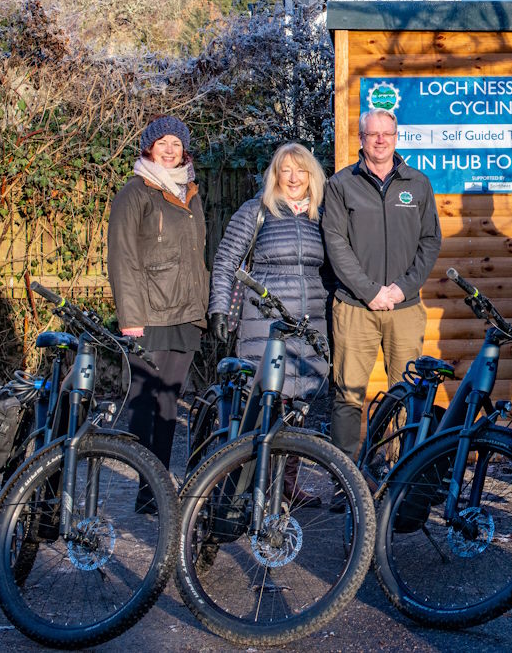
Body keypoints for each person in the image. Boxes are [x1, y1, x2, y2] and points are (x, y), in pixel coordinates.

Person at [322, 108, 441, 498]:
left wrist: (400, 290)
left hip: (404, 308)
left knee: (404, 394)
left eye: (386, 134)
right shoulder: (341, 185)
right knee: (347, 393)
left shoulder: (418, 184)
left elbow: (430, 243)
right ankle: (346, 483)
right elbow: (335, 244)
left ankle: (397, 478)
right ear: (361, 139)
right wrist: (369, 290)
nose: (379, 140)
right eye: (372, 134)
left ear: (396, 137)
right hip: (354, 306)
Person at [208, 143, 330, 505]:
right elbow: (227, 258)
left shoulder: (321, 217)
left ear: (312, 176)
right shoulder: (256, 211)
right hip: (265, 321)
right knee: (263, 405)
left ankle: (286, 485)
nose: (293, 178)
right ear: (274, 175)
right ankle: (247, 484)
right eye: (285, 170)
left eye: (301, 170)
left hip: (308, 325)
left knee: (297, 407)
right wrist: (217, 309)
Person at [108, 115, 208, 513]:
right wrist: (131, 318)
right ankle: (144, 482)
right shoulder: (135, 192)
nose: (170, 150)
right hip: (149, 313)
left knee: (169, 404)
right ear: (149, 147)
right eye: (163, 142)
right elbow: (122, 258)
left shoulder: (191, 194)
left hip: (185, 315)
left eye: (177, 144)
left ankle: (155, 494)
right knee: (143, 404)